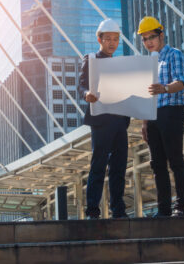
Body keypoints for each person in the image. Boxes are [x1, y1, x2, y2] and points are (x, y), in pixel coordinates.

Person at [138, 16, 184, 217]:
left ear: (161, 35)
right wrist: (144, 122)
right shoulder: (147, 62)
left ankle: (181, 207)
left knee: (175, 160)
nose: (148, 41)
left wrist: (165, 88)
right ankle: (163, 210)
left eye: (151, 36)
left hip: (171, 112)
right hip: (152, 117)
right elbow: (145, 95)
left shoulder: (173, 54)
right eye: (144, 38)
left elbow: (181, 82)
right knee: (157, 164)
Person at [78, 18, 130, 219]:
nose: (112, 43)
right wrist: (86, 94)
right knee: (98, 165)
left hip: (120, 121)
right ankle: (93, 210)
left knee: (119, 167)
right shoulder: (90, 59)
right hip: (101, 120)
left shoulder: (122, 63)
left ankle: (118, 209)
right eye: (108, 38)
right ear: (99, 39)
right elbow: (81, 85)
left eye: (116, 39)